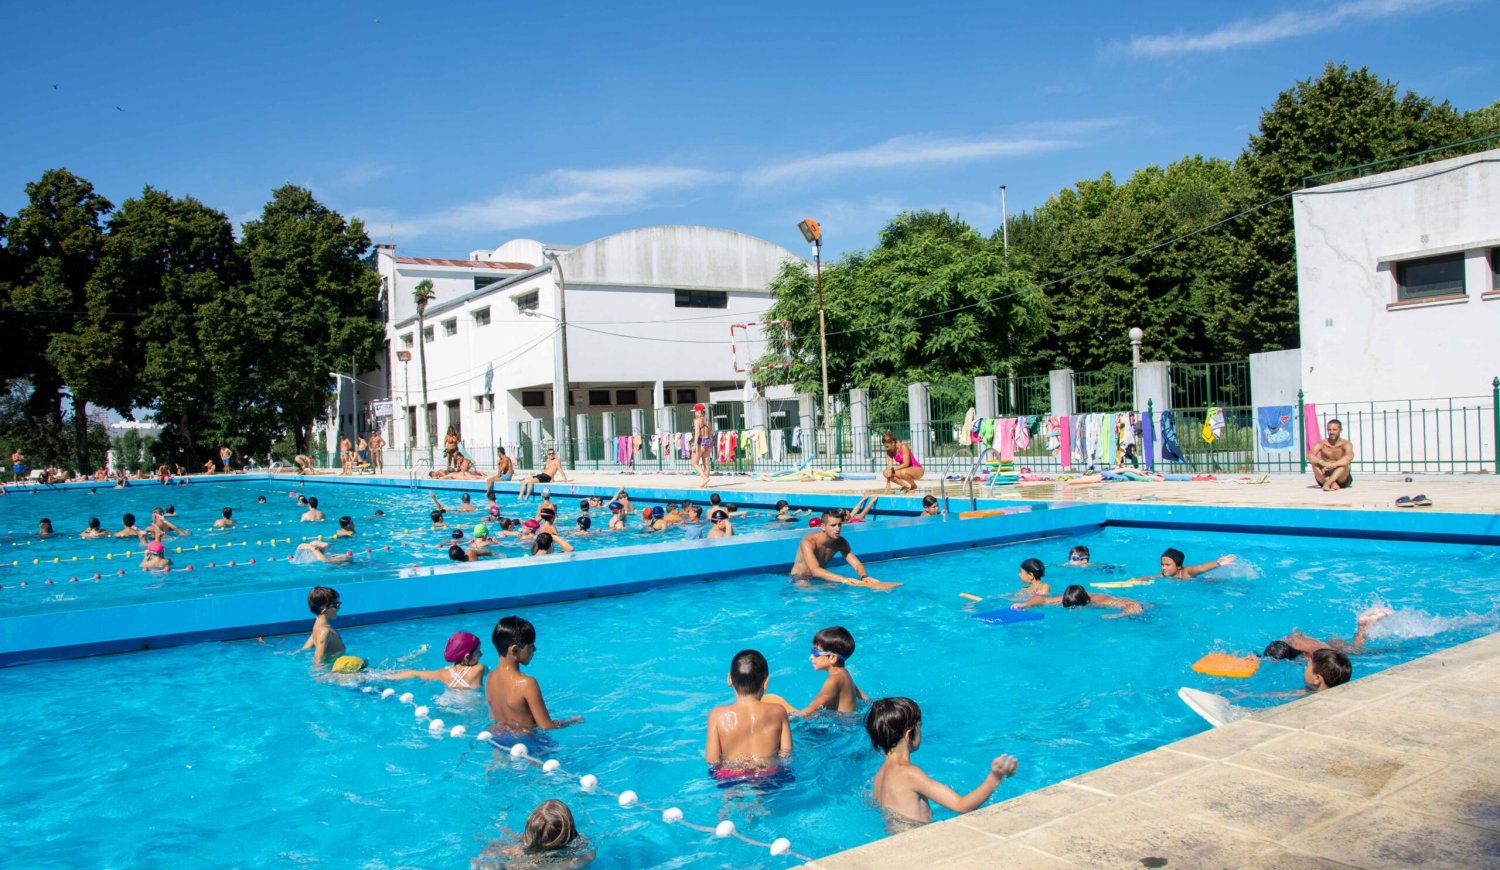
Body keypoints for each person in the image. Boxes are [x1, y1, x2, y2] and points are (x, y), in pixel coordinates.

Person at [867, 697, 1018, 825]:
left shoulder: (880, 775)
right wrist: (995, 777)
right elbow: (962, 805)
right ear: (909, 734)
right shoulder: (909, 773)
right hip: (919, 843)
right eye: (920, 726)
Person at [486, 616, 582, 732]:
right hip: (528, 744)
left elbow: (494, 718)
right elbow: (546, 726)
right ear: (515, 650)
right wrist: (570, 721)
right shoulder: (527, 683)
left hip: (499, 740)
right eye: (531, 645)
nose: (535, 649)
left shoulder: (490, 678)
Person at [705, 649, 792, 774]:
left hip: (730, 776)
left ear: (729, 679)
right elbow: (786, 754)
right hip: (769, 774)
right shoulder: (779, 711)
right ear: (766, 682)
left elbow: (712, 760)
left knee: (729, 790)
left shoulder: (717, 715)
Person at [472, 799, 591, 870]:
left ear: (529, 832)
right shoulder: (582, 855)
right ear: (569, 831)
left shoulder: (512, 851)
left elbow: (478, 860)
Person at [1264, 606, 1394, 661]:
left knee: (1358, 649)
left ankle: (1362, 627)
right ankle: (1363, 624)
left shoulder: (1304, 658)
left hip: (1330, 649)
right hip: (1329, 642)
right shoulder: (1293, 637)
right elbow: (1298, 632)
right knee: (1351, 646)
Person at [790, 510, 880, 587]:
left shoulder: (840, 542)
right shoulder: (808, 542)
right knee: (811, 597)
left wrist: (864, 577)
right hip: (799, 578)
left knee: (839, 591)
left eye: (839, 525)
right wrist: (845, 579)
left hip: (819, 577)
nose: (837, 529)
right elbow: (815, 570)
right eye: (833, 525)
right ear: (823, 527)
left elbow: (856, 564)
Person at [792, 627, 867, 716]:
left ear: (832, 658)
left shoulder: (833, 680)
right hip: (849, 723)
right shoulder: (844, 673)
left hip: (841, 728)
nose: (811, 657)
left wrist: (789, 716)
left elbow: (810, 711)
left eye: (815, 652)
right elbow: (865, 699)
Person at [387, 631, 486, 690]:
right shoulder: (479, 669)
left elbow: (414, 673)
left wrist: (387, 676)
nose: (481, 654)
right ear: (467, 657)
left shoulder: (442, 673)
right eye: (478, 651)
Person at [1014, 584, 1142, 617]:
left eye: (1074, 608)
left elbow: (1135, 605)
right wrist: (1024, 604)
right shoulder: (1065, 599)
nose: (1071, 611)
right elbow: (1041, 599)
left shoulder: (1101, 601)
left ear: (1084, 603)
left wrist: (1117, 615)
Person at [1128, 547, 1237, 583]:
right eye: (1162, 564)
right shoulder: (1165, 575)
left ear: (1178, 566)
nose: (1163, 567)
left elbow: (1201, 568)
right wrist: (1136, 580)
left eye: (1167, 564)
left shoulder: (1186, 572)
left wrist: (1218, 563)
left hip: (1206, 583)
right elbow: (1151, 577)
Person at [299, 586, 346, 666]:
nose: (339, 608)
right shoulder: (325, 632)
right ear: (324, 609)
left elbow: (305, 649)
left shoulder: (317, 627)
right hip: (334, 669)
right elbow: (318, 661)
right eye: (336, 605)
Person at [1308, 418, 1353, 491]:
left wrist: (1333, 465)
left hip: (1341, 477)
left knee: (1344, 464)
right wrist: (1322, 462)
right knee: (1314, 463)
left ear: (1340, 430)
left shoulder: (1346, 444)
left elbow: (1349, 456)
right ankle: (1332, 483)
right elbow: (1309, 455)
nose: (1331, 432)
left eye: (1334, 430)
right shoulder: (1321, 444)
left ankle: (1328, 483)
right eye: (1329, 430)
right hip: (1325, 475)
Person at [691, 403, 713, 487]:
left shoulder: (696, 420)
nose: (694, 413)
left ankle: (705, 478)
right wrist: (710, 444)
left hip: (700, 442)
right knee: (706, 464)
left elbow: (697, 433)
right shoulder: (707, 420)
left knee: (694, 463)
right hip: (708, 441)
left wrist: (694, 444)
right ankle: (705, 484)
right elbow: (710, 433)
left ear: (698, 412)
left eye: (695, 411)